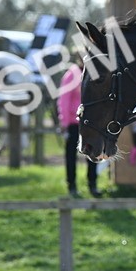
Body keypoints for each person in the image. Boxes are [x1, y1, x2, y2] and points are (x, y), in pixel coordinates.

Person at [56, 62, 100, 198]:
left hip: (91, 122)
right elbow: (64, 99)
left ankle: (92, 184)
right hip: (74, 123)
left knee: (93, 154)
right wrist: (64, 121)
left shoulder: (96, 72)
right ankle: (72, 185)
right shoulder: (72, 74)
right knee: (71, 155)